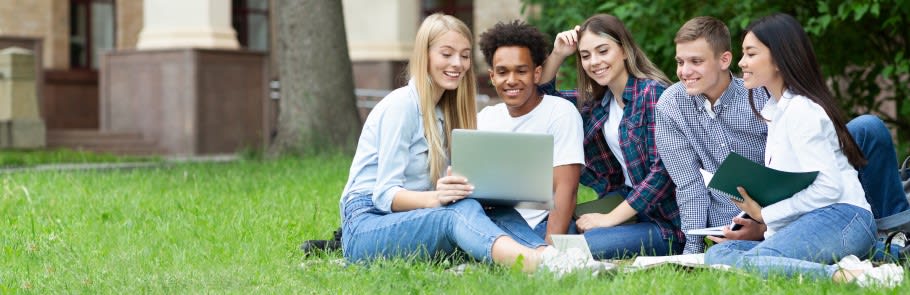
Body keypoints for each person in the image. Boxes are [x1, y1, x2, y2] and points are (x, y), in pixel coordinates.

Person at [654, 16, 910, 254]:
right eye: (680, 62)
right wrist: (693, 249)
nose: (684, 71)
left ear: (724, 60)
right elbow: (690, 186)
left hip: (802, 205)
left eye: (695, 61)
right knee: (725, 255)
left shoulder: (768, 94)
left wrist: (767, 220)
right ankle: (871, 251)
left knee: (867, 128)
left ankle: (893, 235)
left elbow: (808, 175)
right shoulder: (672, 106)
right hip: (747, 217)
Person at [703, 13, 902, 286]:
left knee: (759, 261)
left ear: (779, 58)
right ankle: (877, 257)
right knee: (720, 254)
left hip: (843, 216)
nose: (741, 63)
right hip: (814, 222)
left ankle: (851, 277)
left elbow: (828, 189)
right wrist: (763, 226)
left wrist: (765, 214)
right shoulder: (776, 112)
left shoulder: (801, 110)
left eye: (750, 54)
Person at [339, 13, 548, 271]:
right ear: (424, 56)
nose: (457, 63)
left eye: (464, 55)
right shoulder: (401, 106)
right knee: (454, 215)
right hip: (365, 225)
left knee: (490, 208)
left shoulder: (445, 112)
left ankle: (550, 255)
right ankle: (532, 264)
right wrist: (438, 198)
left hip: (412, 219)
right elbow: (384, 196)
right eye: (446, 54)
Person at [537, 14, 683, 258]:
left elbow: (663, 173)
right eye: (585, 55)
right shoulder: (599, 102)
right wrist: (558, 54)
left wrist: (608, 220)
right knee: (550, 231)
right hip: (625, 200)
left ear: (624, 50)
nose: (594, 62)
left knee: (577, 248)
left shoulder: (652, 94)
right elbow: (543, 98)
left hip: (666, 222)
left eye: (603, 51)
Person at [475, 20, 584, 245]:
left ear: (536, 74)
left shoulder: (560, 112)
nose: (511, 80)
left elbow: (566, 189)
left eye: (521, 71)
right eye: (502, 72)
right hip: (492, 220)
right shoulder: (485, 117)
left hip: (539, 225)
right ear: (492, 76)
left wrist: (549, 248)